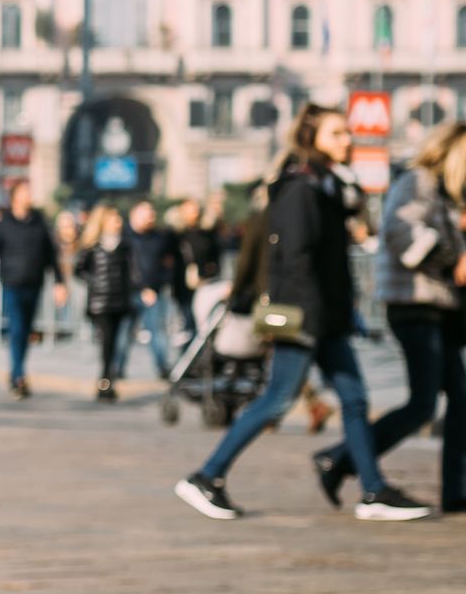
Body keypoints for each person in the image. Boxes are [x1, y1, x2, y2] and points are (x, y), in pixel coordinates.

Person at [177, 104, 432, 522]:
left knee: (353, 399)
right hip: (306, 319)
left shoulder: (327, 187)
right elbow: (294, 260)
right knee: (277, 400)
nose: (347, 140)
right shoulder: (302, 189)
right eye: (336, 134)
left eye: (347, 133)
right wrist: (311, 319)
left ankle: (373, 489)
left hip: (326, 318)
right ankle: (207, 476)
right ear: (311, 138)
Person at [310, 128, 466, 513]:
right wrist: (452, 257)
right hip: (413, 303)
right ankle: (341, 458)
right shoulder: (419, 181)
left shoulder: (441, 192)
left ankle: (456, 490)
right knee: (423, 404)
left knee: (459, 400)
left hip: (437, 305)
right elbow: (399, 232)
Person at [0, 180, 65, 399]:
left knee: (25, 331)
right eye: (25, 191)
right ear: (14, 197)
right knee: (17, 329)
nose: (30, 195)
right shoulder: (2, 226)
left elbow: (51, 256)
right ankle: (18, 376)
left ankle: (17, 371)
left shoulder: (39, 223)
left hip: (34, 283)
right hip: (12, 284)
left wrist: (59, 282)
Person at [75, 203, 137, 401]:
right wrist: (95, 282)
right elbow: (80, 270)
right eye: (114, 219)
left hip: (120, 300)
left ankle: (108, 379)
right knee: (107, 342)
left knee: (117, 343)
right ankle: (105, 380)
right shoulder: (93, 246)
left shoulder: (125, 246)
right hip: (100, 302)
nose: (118, 223)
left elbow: (132, 273)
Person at [124, 200, 183, 382]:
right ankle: (115, 370)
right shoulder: (124, 237)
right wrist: (141, 287)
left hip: (154, 292)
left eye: (152, 212)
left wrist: (162, 282)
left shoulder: (160, 238)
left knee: (157, 331)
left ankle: (162, 367)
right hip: (128, 292)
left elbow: (170, 263)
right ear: (134, 214)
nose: (150, 217)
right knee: (123, 334)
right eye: (146, 213)